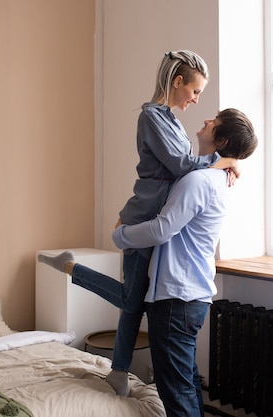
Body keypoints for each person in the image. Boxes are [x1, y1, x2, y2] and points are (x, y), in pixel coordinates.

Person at [38, 50, 238, 396]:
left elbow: (187, 165)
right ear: (178, 82)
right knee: (133, 303)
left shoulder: (171, 120)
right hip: (142, 217)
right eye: (195, 91)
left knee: (134, 300)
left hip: (151, 218)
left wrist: (222, 160)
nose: (196, 100)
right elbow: (179, 164)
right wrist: (221, 160)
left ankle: (72, 270)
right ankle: (117, 368)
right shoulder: (151, 117)